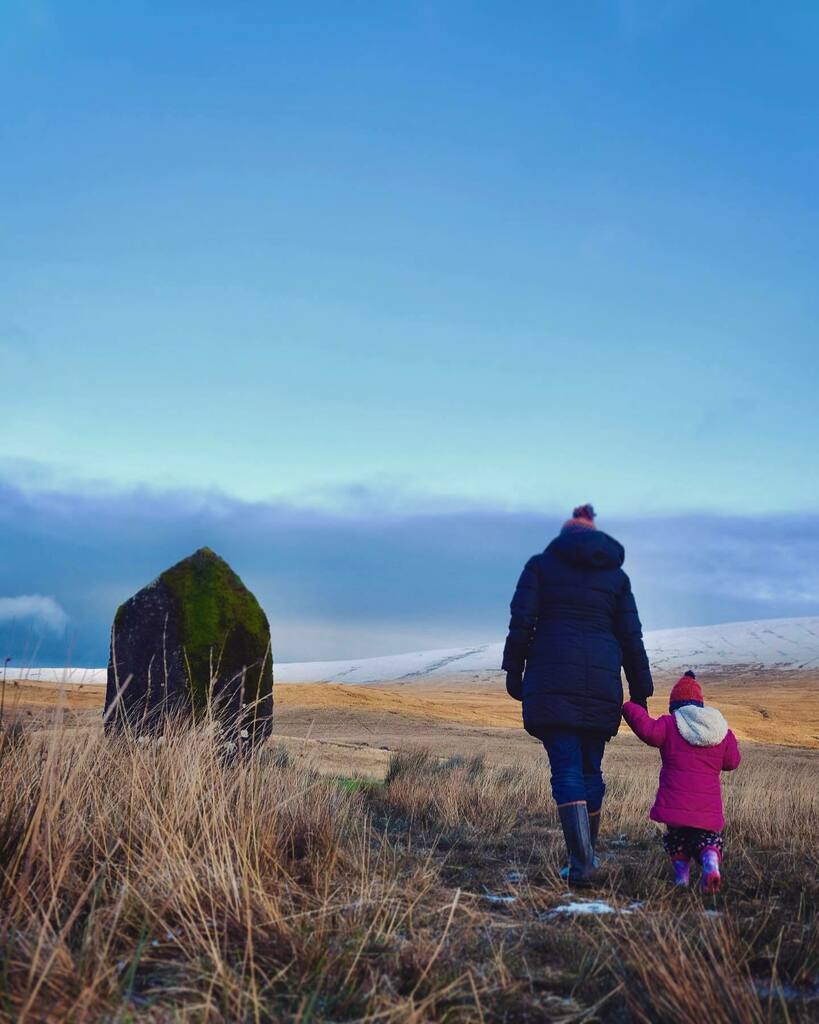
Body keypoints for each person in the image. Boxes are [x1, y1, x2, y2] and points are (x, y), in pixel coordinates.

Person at [503, 503, 654, 886]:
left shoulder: (541, 565)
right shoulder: (617, 579)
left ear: (565, 534)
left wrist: (514, 670)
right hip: (602, 685)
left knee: (566, 768)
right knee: (590, 770)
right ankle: (585, 859)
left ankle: (582, 862)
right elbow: (631, 638)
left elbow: (522, 621)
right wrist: (640, 689)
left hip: (551, 679)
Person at [622, 670, 741, 892]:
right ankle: (711, 862)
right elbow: (732, 761)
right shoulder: (719, 731)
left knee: (677, 840)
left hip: (675, 804)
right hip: (708, 809)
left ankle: (681, 878)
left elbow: (647, 730)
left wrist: (629, 707)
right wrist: (729, 738)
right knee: (708, 841)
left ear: (675, 704)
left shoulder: (670, 724)